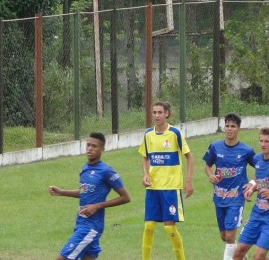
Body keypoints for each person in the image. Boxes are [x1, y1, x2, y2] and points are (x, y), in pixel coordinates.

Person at [49, 132, 131, 260]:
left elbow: (125, 197)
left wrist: (97, 206)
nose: (90, 148)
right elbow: (84, 192)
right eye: (88, 145)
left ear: (102, 149)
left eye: (94, 146)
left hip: (91, 226)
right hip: (81, 223)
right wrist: (62, 192)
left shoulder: (106, 171)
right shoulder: (85, 168)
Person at [139, 101, 194, 260]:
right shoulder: (148, 134)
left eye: (160, 112)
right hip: (153, 188)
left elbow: (189, 157)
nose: (156, 115)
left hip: (171, 187)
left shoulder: (175, 133)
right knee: (148, 227)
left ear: (167, 114)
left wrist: (188, 181)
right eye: (154, 112)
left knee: (169, 228)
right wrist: (145, 175)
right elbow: (145, 158)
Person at [202, 113, 255, 260]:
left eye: (233, 126)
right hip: (219, 198)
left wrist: (251, 185)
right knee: (224, 236)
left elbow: (261, 167)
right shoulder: (215, 147)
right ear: (224, 128)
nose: (230, 129)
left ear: (239, 129)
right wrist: (210, 174)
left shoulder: (247, 151)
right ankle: (241, 257)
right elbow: (207, 166)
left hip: (236, 199)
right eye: (227, 126)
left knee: (231, 237)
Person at [233, 127, 269, 260]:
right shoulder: (257, 159)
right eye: (261, 141)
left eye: (267, 141)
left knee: (258, 256)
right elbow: (258, 177)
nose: (263, 144)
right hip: (256, 215)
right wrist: (251, 187)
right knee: (238, 253)